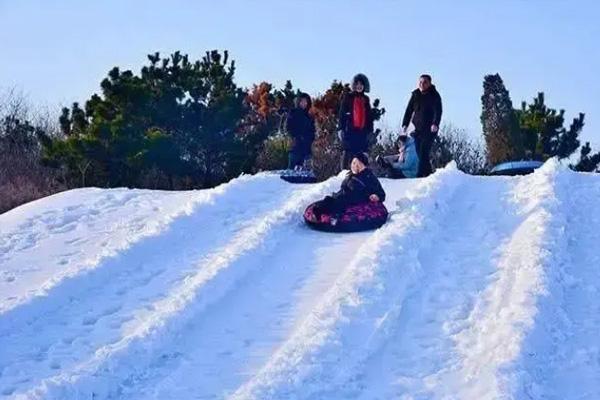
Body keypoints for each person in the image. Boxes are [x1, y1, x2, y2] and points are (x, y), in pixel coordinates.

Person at [311, 152, 385, 224]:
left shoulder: (369, 177)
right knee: (329, 199)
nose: (354, 165)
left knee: (337, 202)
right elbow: (343, 188)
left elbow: (381, 194)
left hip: (358, 198)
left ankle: (332, 217)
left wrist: (376, 196)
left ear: (363, 165)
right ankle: (318, 212)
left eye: (357, 163)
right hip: (344, 196)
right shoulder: (351, 175)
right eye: (353, 163)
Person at [401, 74, 442, 177]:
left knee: (424, 150)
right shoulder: (415, 95)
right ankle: (428, 174)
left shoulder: (434, 95)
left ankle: (420, 175)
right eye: (420, 82)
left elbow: (438, 110)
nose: (422, 84)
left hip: (429, 129)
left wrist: (435, 123)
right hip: (417, 129)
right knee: (420, 153)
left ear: (429, 83)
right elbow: (409, 110)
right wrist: (405, 124)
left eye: (425, 82)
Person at [338, 74, 374, 170]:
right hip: (350, 130)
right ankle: (345, 172)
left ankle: (361, 172)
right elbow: (342, 114)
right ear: (354, 85)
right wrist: (340, 128)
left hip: (362, 131)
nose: (359, 86)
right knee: (348, 152)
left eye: (361, 84)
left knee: (361, 153)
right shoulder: (348, 97)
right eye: (357, 84)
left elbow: (369, 117)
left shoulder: (366, 99)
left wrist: (371, 131)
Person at [286, 92, 316, 169]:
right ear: (298, 102)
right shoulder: (293, 112)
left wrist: (311, 138)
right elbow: (288, 127)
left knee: (304, 170)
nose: (304, 103)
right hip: (295, 146)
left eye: (306, 101)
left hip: (306, 148)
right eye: (302, 101)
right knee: (292, 169)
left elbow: (312, 130)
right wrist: (296, 137)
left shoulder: (309, 116)